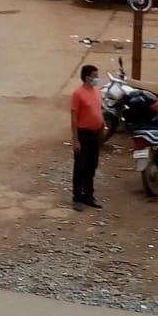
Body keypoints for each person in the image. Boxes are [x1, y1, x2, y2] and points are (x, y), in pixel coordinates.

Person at [70, 64, 104, 212]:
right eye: (95, 76)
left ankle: (88, 195)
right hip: (83, 134)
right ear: (87, 77)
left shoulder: (96, 91)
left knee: (91, 166)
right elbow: (74, 118)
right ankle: (77, 197)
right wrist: (75, 139)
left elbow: (98, 110)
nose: (97, 79)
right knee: (80, 167)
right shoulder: (78, 94)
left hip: (96, 133)